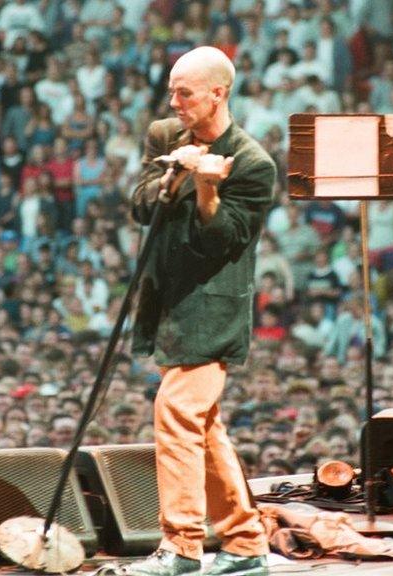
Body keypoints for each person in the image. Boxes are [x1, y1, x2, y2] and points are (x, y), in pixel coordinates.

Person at [128, 46, 273, 576]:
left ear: (218, 92)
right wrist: (179, 175)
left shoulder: (254, 164)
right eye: (172, 90)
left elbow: (223, 241)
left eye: (184, 92)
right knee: (204, 426)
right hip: (165, 301)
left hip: (213, 311)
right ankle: (244, 541)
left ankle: (182, 546)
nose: (175, 100)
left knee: (177, 412)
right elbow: (142, 205)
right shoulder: (166, 136)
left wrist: (209, 186)